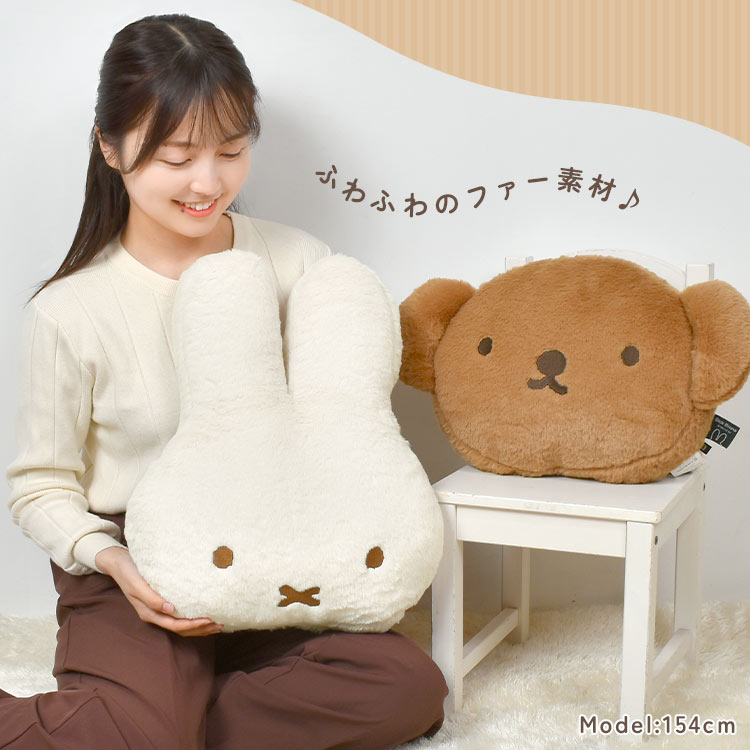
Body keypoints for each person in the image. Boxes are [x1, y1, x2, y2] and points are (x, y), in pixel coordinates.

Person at [0, 13, 447, 750]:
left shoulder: (300, 263)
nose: (208, 183)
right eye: (177, 158)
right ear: (110, 147)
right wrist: (114, 562)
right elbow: (39, 486)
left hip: (273, 554)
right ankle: (154, 719)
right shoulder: (70, 310)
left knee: (408, 689)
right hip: (135, 571)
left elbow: (335, 423)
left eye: (232, 151)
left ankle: (171, 721)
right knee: (141, 734)